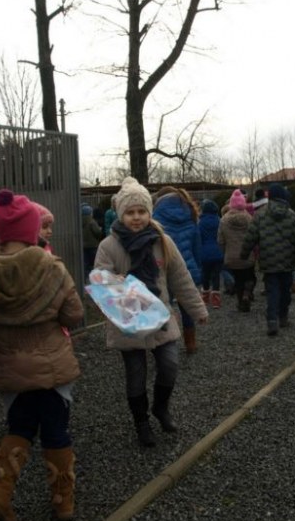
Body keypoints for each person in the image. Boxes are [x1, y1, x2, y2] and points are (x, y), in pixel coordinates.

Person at [0, 189, 84, 521]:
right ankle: (63, 502)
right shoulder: (52, 267)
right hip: (53, 370)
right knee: (56, 431)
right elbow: (74, 315)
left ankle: (0, 496)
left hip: (11, 373)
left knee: (19, 429)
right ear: (33, 230)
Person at [94, 177, 207, 447]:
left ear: (149, 212)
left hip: (159, 317)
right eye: (130, 212)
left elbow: (181, 278)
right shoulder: (108, 246)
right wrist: (114, 282)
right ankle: (141, 423)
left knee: (169, 364)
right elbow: (99, 279)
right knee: (136, 375)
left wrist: (197, 308)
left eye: (141, 211)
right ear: (121, 214)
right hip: (128, 319)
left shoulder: (163, 241)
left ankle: (160, 407)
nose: (136, 218)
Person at [240, 183, 295, 336]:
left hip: (268, 261)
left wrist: (244, 254)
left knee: (272, 292)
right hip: (287, 262)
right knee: (285, 291)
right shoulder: (291, 215)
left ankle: (272, 321)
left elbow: (250, 237)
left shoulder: (260, 215)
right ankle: (283, 317)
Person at [152, 186, 202, 353]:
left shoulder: (155, 218)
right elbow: (197, 247)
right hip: (189, 268)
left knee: (164, 306)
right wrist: (198, 269)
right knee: (187, 306)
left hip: (164, 271)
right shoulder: (191, 214)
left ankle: (165, 344)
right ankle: (191, 342)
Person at [219, 189, 256, 312]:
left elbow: (220, 241)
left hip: (231, 257)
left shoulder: (223, 220)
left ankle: (241, 303)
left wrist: (224, 253)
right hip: (248, 256)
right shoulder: (249, 218)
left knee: (238, 280)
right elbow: (255, 236)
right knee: (251, 277)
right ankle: (247, 292)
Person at [198, 199, 223, 308]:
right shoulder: (219, 221)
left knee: (205, 275)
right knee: (216, 275)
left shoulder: (200, 222)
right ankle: (216, 300)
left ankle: (205, 297)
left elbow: (198, 238)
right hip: (218, 252)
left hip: (204, 252)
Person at [81, 204, 102, 276]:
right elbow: (97, 232)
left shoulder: (78, 222)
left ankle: (84, 278)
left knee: (85, 263)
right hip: (93, 245)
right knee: (96, 262)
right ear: (90, 213)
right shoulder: (92, 222)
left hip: (83, 245)